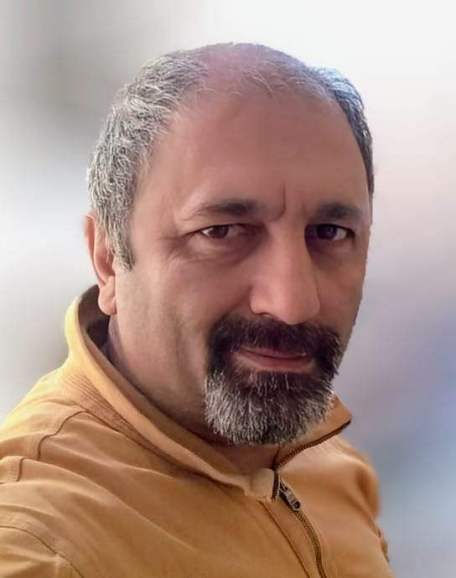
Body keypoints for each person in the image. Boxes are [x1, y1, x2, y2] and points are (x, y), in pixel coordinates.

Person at [0, 43, 393, 577]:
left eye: (329, 233)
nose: (293, 303)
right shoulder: (38, 544)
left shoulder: (328, 469)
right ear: (108, 259)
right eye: (222, 232)